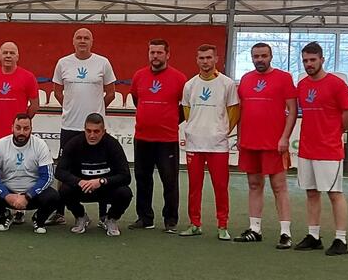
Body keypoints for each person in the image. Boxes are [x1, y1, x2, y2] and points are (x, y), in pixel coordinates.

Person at [293, 42, 348, 256]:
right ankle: (313, 236)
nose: (309, 64)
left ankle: (341, 239)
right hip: (306, 148)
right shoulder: (302, 85)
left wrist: (336, 131)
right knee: (311, 192)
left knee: (334, 193)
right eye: (305, 60)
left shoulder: (336, 84)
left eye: (313, 60)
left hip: (329, 149)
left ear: (322, 59)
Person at [234, 42, 297, 247]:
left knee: (279, 187)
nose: (260, 59)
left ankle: (285, 233)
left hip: (274, 144)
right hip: (249, 142)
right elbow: (241, 111)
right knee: (254, 185)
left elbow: (293, 110)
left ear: (271, 57)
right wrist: (239, 137)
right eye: (256, 56)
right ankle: (255, 229)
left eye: (263, 56)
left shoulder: (284, 78)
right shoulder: (245, 79)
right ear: (252, 58)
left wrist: (285, 137)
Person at [179, 44, 239, 240]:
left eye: (208, 58)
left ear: (216, 59)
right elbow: (187, 112)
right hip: (194, 144)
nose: (205, 61)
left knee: (220, 187)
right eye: (201, 58)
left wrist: (222, 132)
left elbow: (234, 111)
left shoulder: (227, 84)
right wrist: (196, 129)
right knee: (194, 188)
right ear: (197, 60)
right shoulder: (189, 85)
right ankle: (195, 224)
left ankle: (223, 225)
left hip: (218, 145)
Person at [127, 38, 187, 231]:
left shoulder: (179, 78)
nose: (155, 56)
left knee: (170, 181)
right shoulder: (139, 76)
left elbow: (186, 106)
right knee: (142, 179)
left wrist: (170, 121)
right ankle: (145, 218)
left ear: (168, 55)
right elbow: (137, 100)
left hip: (167, 140)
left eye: (159, 52)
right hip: (142, 137)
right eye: (152, 52)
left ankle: (170, 220)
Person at [0, 113, 61, 234]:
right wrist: (6, 195)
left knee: (54, 197)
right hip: (7, 193)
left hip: (32, 195)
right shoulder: (1, 144)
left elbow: (47, 177)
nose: (21, 132)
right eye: (18, 128)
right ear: (12, 128)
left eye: (26, 128)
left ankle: (38, 219)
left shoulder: (40, 145)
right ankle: (4, 215)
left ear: (31, 129)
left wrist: (27, 196)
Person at [55, 113, 133, 237]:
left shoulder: (113, 145)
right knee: (64, 190)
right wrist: (79, 181)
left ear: (103, 131)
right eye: (88, 131)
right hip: (83, 188)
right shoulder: (74, 144)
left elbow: (126, 176)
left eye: (96, 131)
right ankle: (81, 216)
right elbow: (59, 171)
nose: (92, 135)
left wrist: (101, 181)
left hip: (105, 189)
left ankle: (111, 219)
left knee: (125, 193)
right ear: (84, 129)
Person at [51, 28, 116, 151]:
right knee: (68, 162)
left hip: (95, 128)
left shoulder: (103, 63)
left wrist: (97, 111)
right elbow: (57, 92)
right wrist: (70, 107)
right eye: (79, 38)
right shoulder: (62, 63)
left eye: (86, 38)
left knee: (95, 161)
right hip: (70, 126)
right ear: (73, 41)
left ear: (91, 42)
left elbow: (111, 94)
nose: (82, 41)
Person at [0, 42, 40, 154]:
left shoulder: (28, 77)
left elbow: (35, 105)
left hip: (18, 135)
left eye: (12, 53)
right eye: (5, 53)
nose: (8, 56)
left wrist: (22, 121)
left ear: (17, 57)